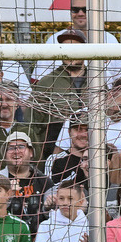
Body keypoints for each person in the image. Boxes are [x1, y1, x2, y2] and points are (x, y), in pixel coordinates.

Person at [32, 0, 121, 84]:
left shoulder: (110, 40)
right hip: (63, 98)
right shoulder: (54, 41)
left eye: (85, 9)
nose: (80, 13)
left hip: (104, 97)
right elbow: (38, 82)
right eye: (75, 10)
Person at [30, 28, 90, 158]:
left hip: (96, 156)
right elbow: (34, 127)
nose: (70, 53)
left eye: (75, 48)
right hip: (58, 161)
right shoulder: (46, 84)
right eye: (65, 48)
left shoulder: (98, 81)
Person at [42, 111, 90, 185]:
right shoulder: (55, 160)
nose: (83, 135)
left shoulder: (100, 160)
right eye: (78, 129)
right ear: (69, 132)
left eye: (87, 130)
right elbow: (49, 192)